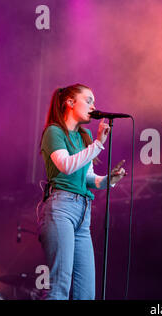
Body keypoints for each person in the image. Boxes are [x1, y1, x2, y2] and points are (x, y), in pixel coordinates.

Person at [38, 83, 126, 300]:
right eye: (88, 100)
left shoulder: (84, 136)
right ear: (69, 103)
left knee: (86, 292)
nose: (94, 106)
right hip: (61, 208)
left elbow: (86, 178)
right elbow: (66, 166)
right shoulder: (54, 131)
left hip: (83, 214)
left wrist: (108, 180)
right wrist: (97, 144)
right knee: (60, 286)